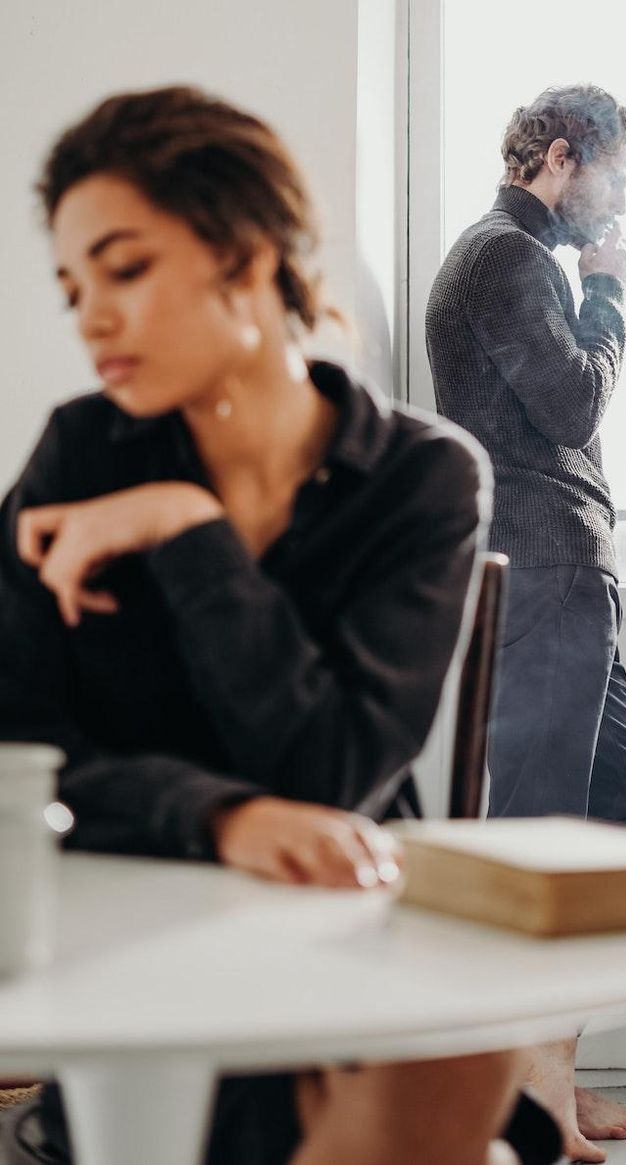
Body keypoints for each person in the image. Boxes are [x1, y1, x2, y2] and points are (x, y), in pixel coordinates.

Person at [0, 86, 561, 1165]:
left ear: (248, 257)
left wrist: (185, 528)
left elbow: (332, 769)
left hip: (342, 940)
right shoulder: (80, 453)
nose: (92, 318)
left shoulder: (421, 476)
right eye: (74, 287)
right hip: (126, 941)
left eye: (125, 268)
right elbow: (17, 755)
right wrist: (217, 816)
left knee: (445, 1066)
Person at [425, 84, 626, 1162]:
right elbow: (572, 402)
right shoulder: (504, 257)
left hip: (564, 576)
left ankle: (543, 1081)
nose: (618, 201)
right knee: (542, 842)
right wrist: (610, 296)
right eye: (616, 174)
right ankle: (528, 1103)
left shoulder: (512, 260)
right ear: (562, 157)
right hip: (543, 574)